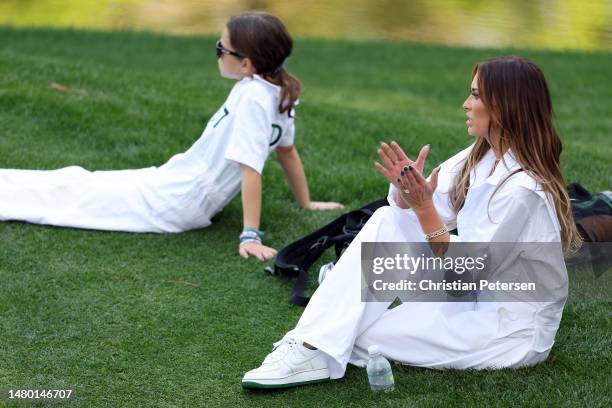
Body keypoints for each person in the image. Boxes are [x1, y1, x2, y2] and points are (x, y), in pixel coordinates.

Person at [241, 56, 582, 388]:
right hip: (466, 291)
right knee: (388, 219)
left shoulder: (523, 190)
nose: (465, 103)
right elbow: (418, 207)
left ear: (504, 106)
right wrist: (408, 193)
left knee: (358, 336)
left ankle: (337, 304)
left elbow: (469, 267)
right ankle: (308, 345)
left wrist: (423, 209)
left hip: (508, 328)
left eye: (476, 95)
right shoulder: (482, 153)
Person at [0, 12, 343, 260]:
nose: (218, 53)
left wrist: (250, 235)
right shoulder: (278, 88)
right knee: (75, 182)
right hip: (175, 183)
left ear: (246, 64)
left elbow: (251, 169)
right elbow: (287, 151)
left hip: (178, 202)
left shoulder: (255, 98)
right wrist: (305, 203)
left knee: (76, 195)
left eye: (221, 49)